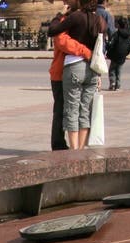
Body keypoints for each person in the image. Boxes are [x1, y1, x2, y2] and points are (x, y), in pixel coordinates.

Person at [48, 0, 108, 150]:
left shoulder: (73, 18)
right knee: (64, 110)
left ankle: (74, 150)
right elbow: (62, 41)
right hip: (62, 71)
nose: (64, 1)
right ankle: (61, 146)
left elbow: (61, 39)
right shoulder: (71, 18)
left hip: (71, 69)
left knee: (72, 110)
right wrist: (87, 53)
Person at [106, 17, 130, 91]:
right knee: (119, 70)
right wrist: (126, 53)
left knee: (112, 69)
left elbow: (111, 44)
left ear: (118, 25)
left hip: (115, 54)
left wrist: (108, 48)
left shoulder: (116, 34)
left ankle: (112, 83)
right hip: (123, 55)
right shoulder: (129, 34)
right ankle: (118, 84)